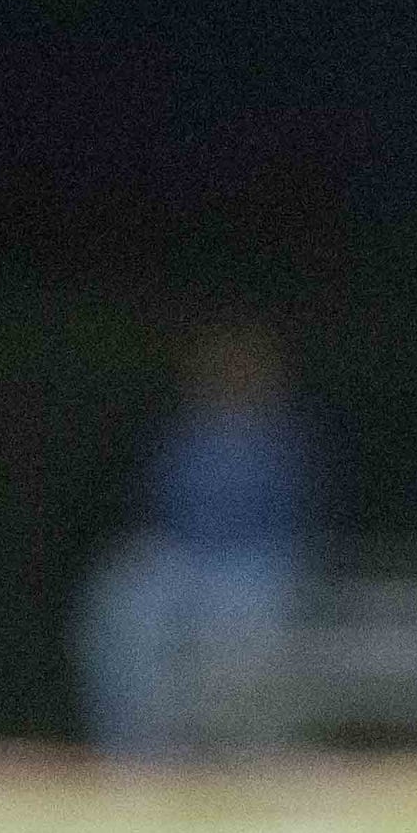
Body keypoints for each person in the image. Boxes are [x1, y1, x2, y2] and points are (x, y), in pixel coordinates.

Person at [70, 320, 317, 758]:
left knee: (245, 611)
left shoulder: (285, 441)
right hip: (182, 562)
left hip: (252, 568)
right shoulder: (184, 436)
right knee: (129, 600)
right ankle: (133, 749)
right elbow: (157, 510)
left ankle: (242, 754)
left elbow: (291, 524)